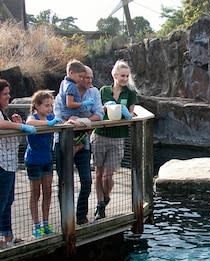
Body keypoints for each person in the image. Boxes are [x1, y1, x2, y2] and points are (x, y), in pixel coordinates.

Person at [0, 79, 37, 250]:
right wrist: (21, 127)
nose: (8, 97)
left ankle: (7, 236)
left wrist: (17, 124)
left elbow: (6, 127)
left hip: (8, 164)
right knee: (0, 201)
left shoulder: (2, 112)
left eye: (9, 93)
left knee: (7, 201)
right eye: (5, 94)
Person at [54, 65, 103, 225]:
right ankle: (65, 218)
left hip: (84, 140)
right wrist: (75, 121)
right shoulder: (66, 90)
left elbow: (99, 114)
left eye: (90, 78)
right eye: (85, 77)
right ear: (78, 77)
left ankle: (81, 216)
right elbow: (59, 116)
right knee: (64, 181)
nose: (89, 80)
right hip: (63, 141)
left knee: (86, 181)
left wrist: (82, 121)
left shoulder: (93, 92)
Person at [91, 60, 137, 220]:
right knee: (98, 173)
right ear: (115, 75)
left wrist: (125, 113)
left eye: (126, 76)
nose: (124, 78)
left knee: (108, 175)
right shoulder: (103, 91)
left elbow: (131, 114)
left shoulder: (130, 92)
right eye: (122, 75)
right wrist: (105, 107)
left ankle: (106, 197)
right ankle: (100, 205)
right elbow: (96, 109)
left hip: (118, 137)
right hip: (100, 135)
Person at [24, 90, 63, 238]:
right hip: (34, 160)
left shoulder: (51, 116)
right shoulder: (32, 117)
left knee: (48, 191)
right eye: (46, 106)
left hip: (47, 159)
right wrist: (48, 123)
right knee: (36, 193)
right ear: (37, 106)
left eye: (51, 105)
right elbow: (29, 123)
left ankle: (46, 222)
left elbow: (59, 120)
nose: (49, 109)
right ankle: (36, 225)